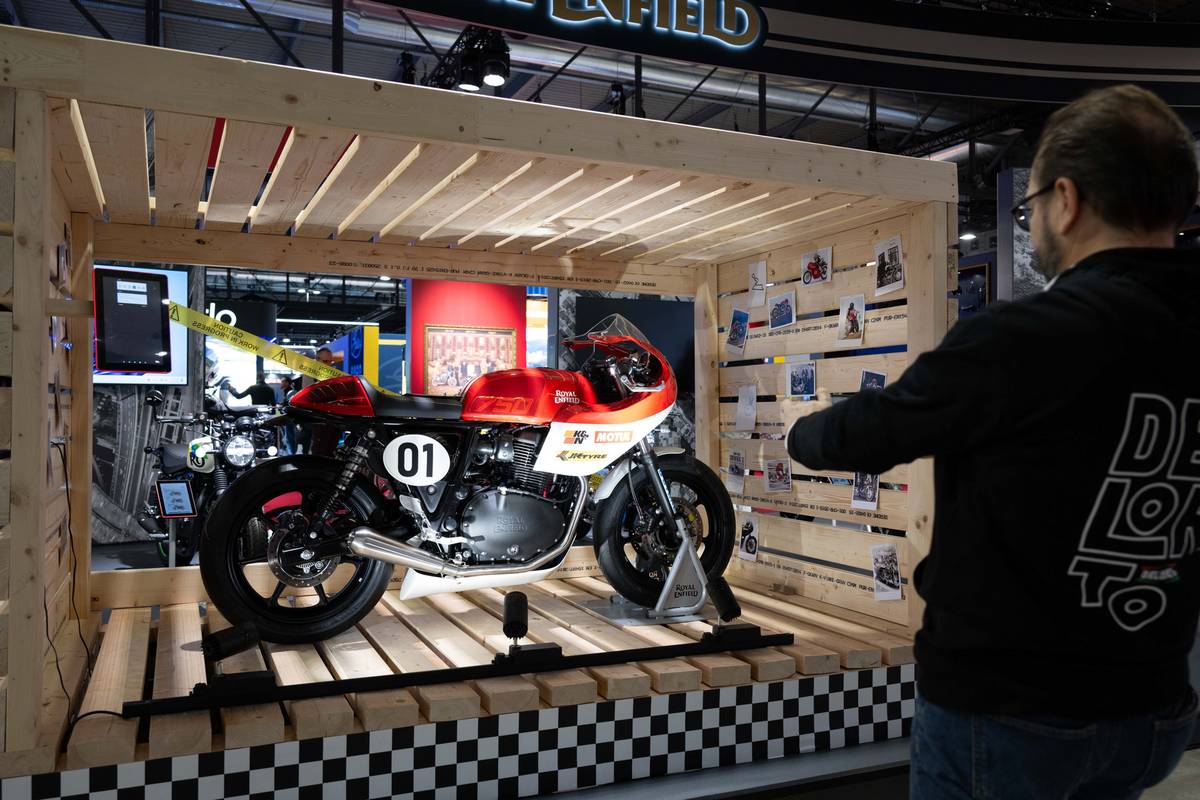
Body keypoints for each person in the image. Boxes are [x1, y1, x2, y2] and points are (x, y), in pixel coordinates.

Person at [786, 84, 1199, 799]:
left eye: (1029, 206)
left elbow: (866, 432)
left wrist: (799, 430)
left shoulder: (1026, 337)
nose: (1031, 225)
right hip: (1155, 706)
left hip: (1013, 711)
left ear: (1066, 200)